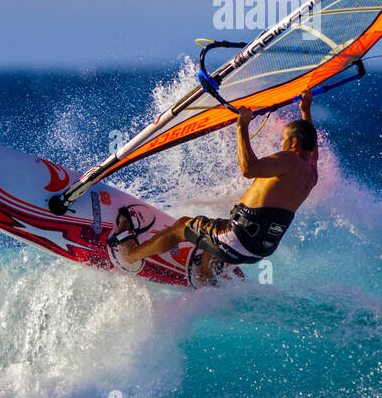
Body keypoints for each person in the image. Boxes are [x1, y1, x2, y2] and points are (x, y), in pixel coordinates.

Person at [119, 90, 318, 283]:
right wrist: (305, 110)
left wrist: (243, 126)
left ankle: (131, 255)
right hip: (261, 249)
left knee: (181, 226)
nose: (281, 144)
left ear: (294, 142)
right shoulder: (311, 172)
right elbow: (310, 145)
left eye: (283, 140)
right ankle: (206, 277)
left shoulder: (290, 159)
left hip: (238, 240)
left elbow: (249, 169)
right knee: (217, 227)